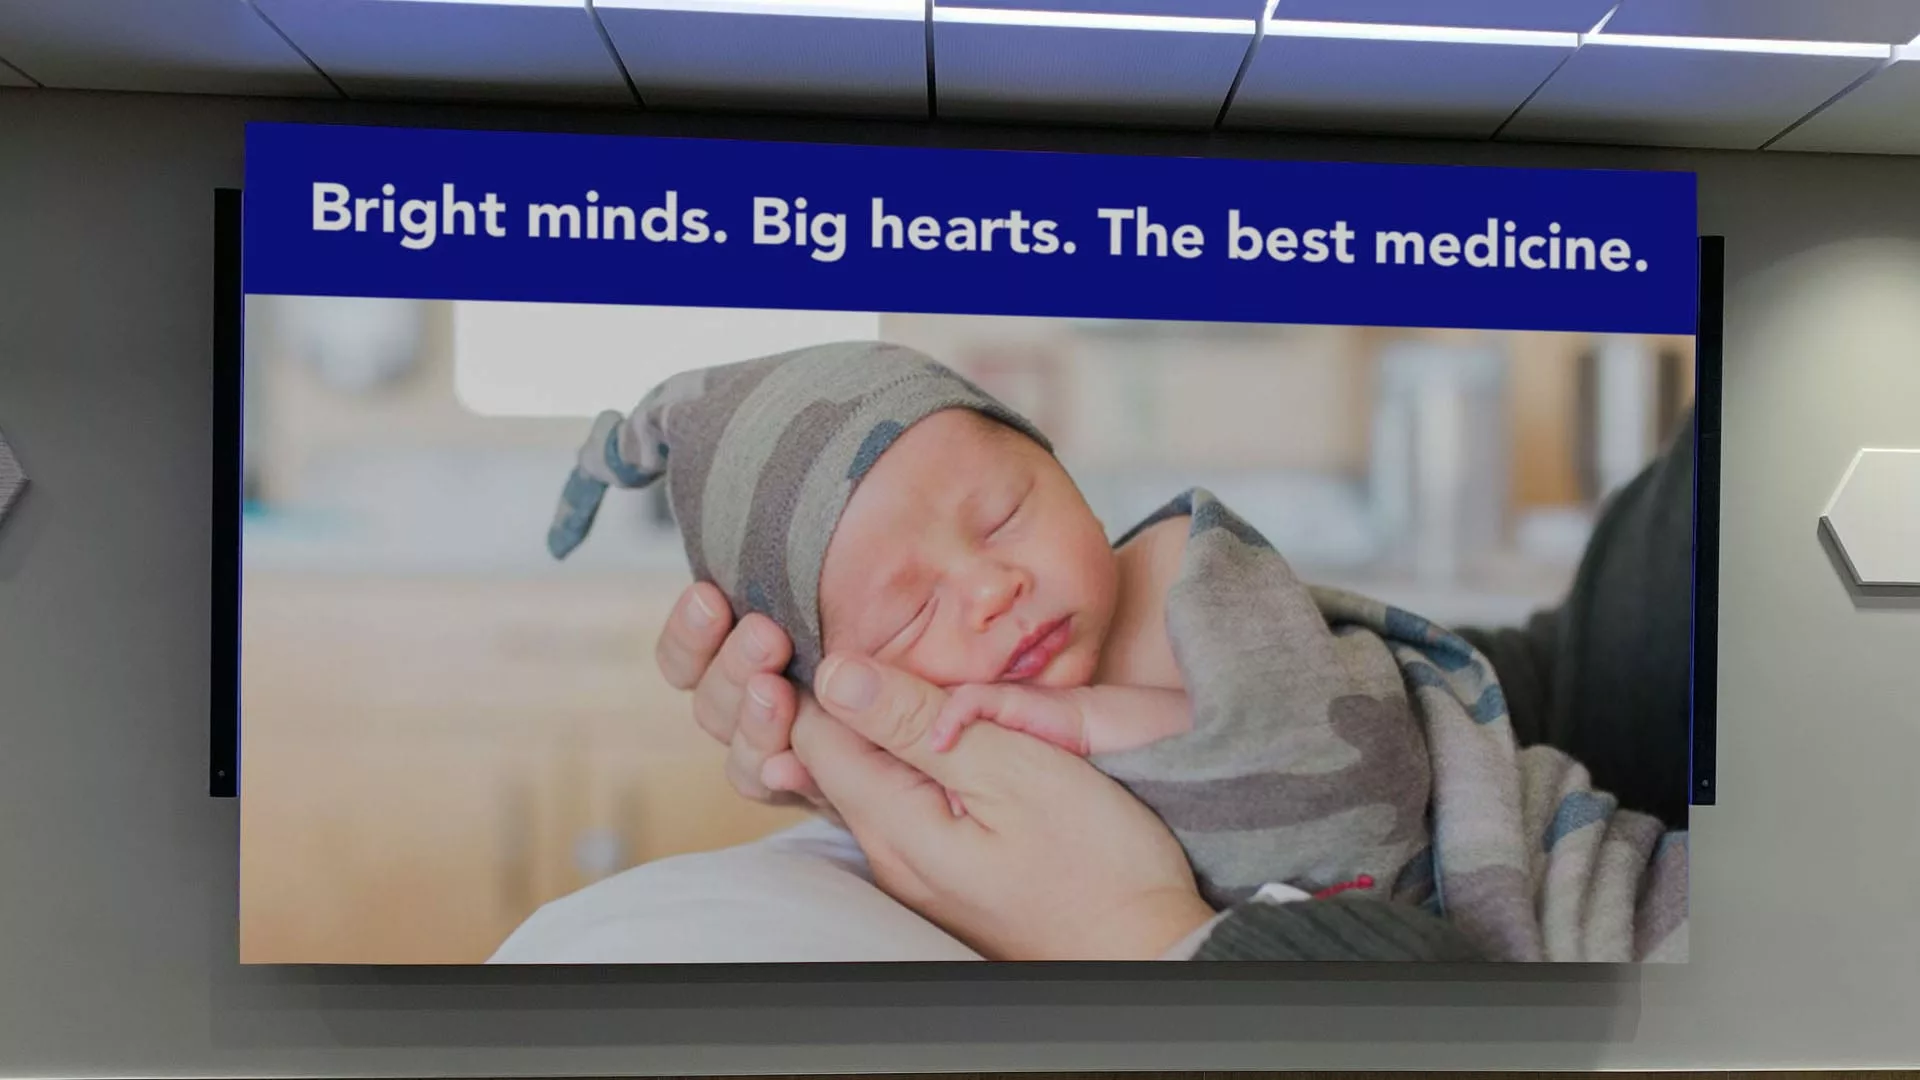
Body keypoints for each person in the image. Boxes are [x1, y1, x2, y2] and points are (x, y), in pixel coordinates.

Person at [570, 342, 1688, 960]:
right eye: (909, 615)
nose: (993, 583)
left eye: (1006, 514)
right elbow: (1573, 676)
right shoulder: (923, 724)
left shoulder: (1183, 576)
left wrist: (1112, 768)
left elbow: (1359, 779)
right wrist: (858, 779)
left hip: (1603, 898)